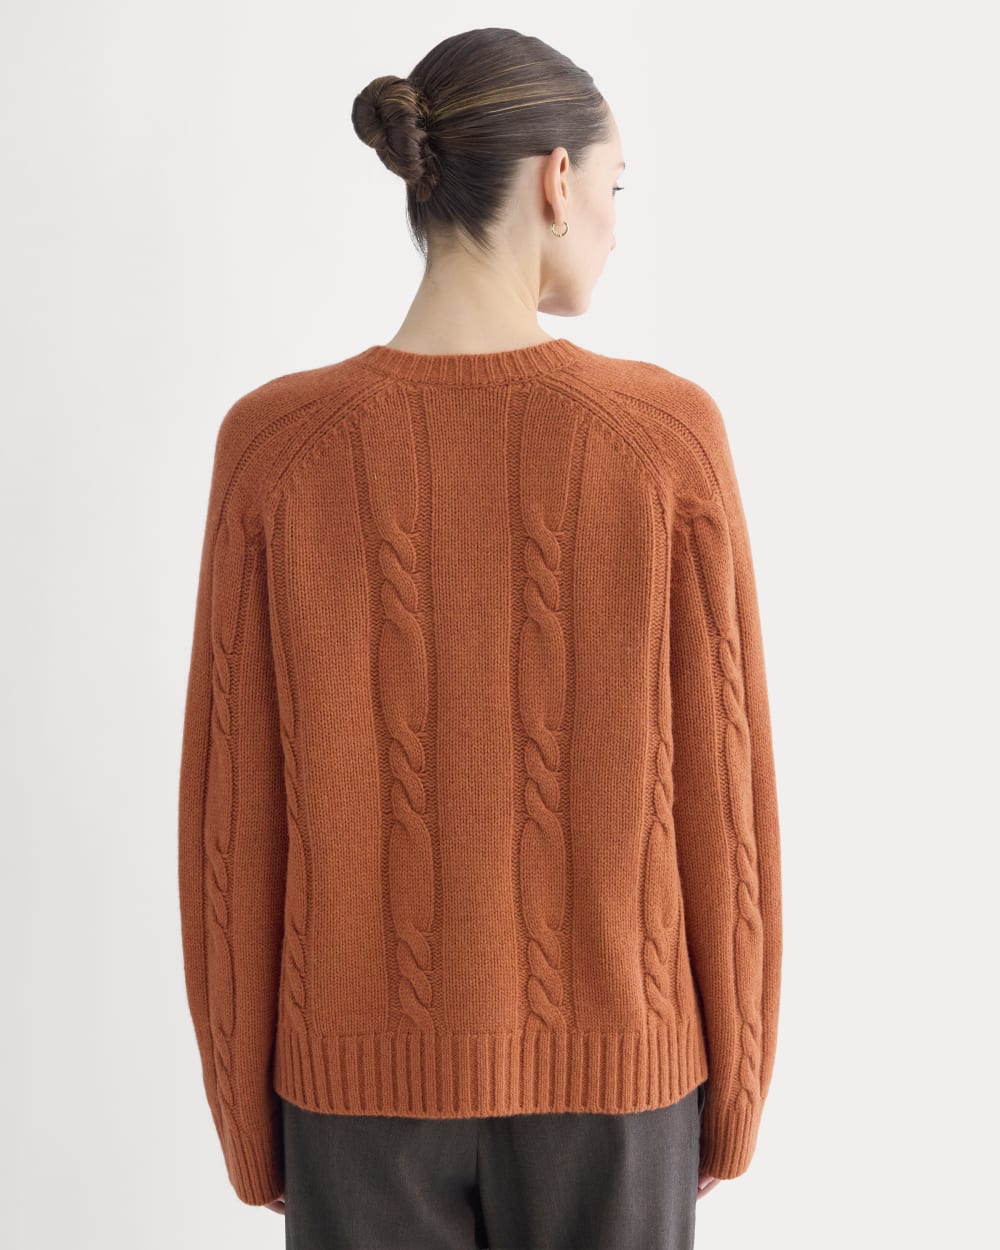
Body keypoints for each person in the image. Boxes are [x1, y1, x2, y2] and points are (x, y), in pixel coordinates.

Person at [177, 25, 783, 1250]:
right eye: (614, 188)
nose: (613, 223)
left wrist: (250, 1117)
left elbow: (229, 816)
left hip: (350, 1094)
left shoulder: (275, 445)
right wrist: (733, 1094)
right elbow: (726, 793)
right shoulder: (663, 439)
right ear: (556, 180)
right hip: (622, 1085)